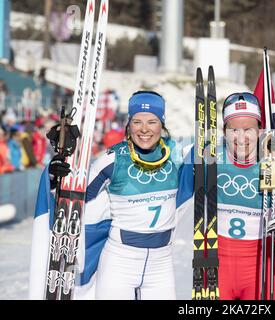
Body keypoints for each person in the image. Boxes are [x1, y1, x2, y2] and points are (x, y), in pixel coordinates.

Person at [29, 91, 188, 300]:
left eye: (152, 122)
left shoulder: (176, 155)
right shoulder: (112, 158)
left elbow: (225, 156)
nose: (144, 129)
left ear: (162, 124)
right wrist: (58, 168)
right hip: (119, 264)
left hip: (161, 267)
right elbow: (74, 195)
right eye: (137, 121)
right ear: (129, 124)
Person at [182, 92, 275, 300]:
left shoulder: (273, 162)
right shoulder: (209, 158)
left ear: (259, 130)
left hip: (259, 266)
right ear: (224, 131)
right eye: (233, 130)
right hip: (216, 263)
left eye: (248, 129)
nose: (241, 138)